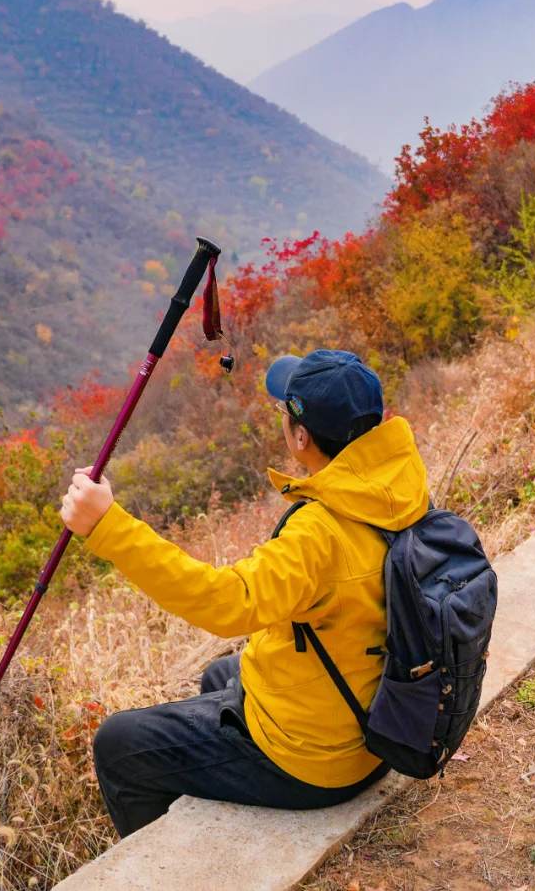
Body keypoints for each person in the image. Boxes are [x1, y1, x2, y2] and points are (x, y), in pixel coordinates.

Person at [59, 348, 429, 838]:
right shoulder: (399, 484)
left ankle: (165, 870)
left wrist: (109, 527)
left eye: (285, 412)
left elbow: (226, 602)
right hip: (379, 728)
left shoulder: (318, 534)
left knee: (118, 744)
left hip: (322, 763)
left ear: (301, 437)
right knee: (221, 673)